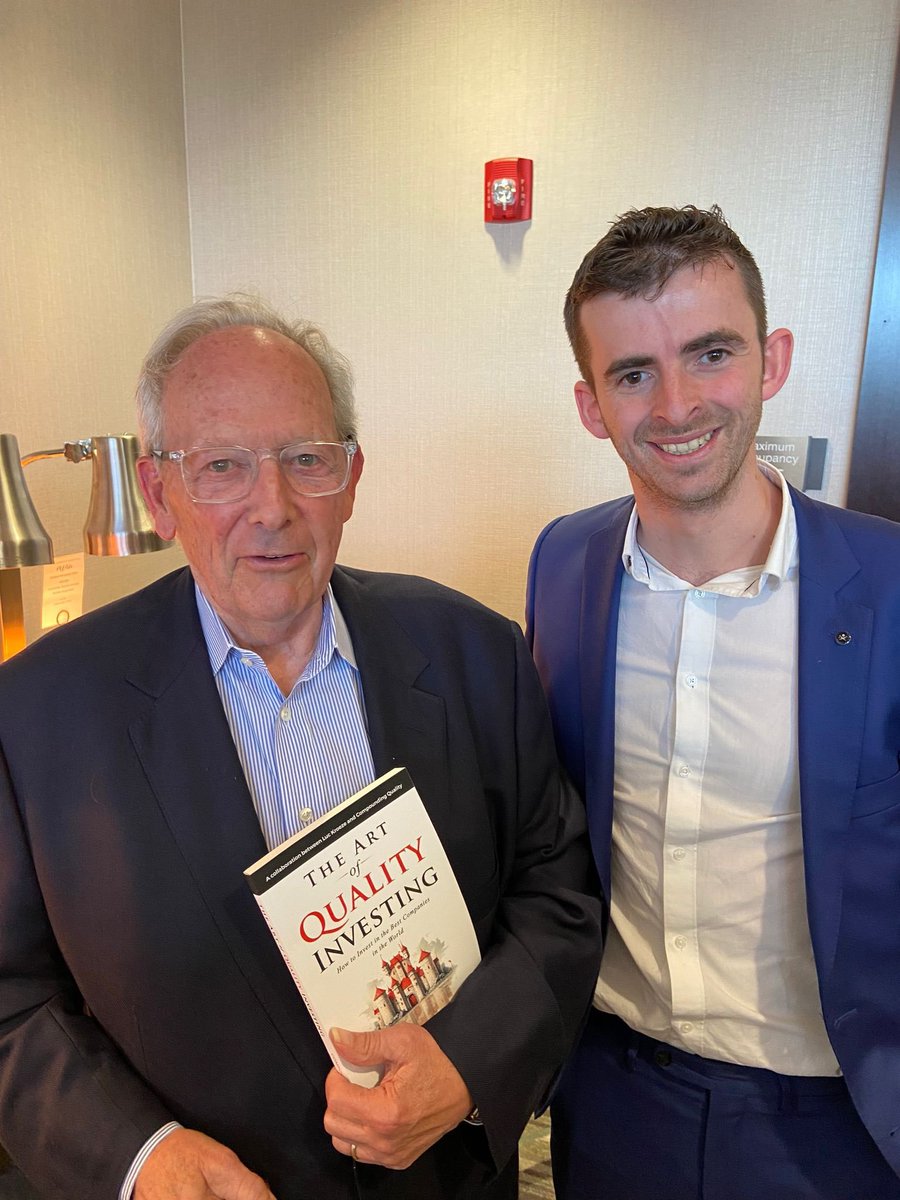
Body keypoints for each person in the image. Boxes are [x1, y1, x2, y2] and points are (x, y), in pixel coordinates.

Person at [0, 295, 603, 1200]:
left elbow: (558, 894)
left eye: (306, 460)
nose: (272, 507)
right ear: (159, 495)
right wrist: (137, 1157)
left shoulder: (478, 654)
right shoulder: (40, 710)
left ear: (351, 477)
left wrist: (469, 1067)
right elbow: (11, 999)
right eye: (221, 467)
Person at [526, 205, 900, 1200]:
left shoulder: (891, 585)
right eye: (633, 374)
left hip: (840, 1123)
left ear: (772, 360)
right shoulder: (562, 562)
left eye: (711, 353)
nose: (678, 404)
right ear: (590, 404)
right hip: (614, 1096)